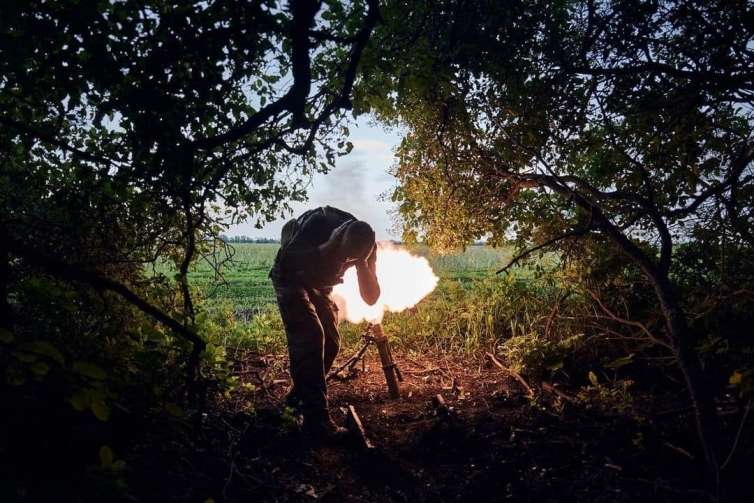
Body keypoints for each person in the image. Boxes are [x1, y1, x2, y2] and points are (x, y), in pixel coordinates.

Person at [269, 206, 380, 440]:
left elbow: (371, 298)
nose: (344, 263)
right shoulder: (319, 223)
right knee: (310, 336)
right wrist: (327, 248)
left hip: (319, 285)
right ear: (338, 236)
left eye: (351, 259)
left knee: (331, 342)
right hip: (290, 278)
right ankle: (317, 422)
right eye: (343, 256)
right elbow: (287, 261)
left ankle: (296, 402)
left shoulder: (367, 245)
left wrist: (363, 266)